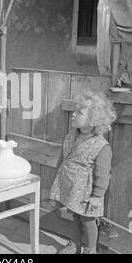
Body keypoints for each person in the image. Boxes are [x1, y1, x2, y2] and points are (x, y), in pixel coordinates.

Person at [49, 92, 117, 254]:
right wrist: (57, 181)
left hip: (87, 193)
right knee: (70, 215)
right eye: (75, 110)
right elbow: (64, 158)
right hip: (70, 188)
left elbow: (103, 174)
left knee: (87, 221)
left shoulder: (101, 146)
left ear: (93, 120)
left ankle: (90, 248)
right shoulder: (71, 136)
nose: (73, 114)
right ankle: (74, 244)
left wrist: (97, 195)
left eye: (79, 112)